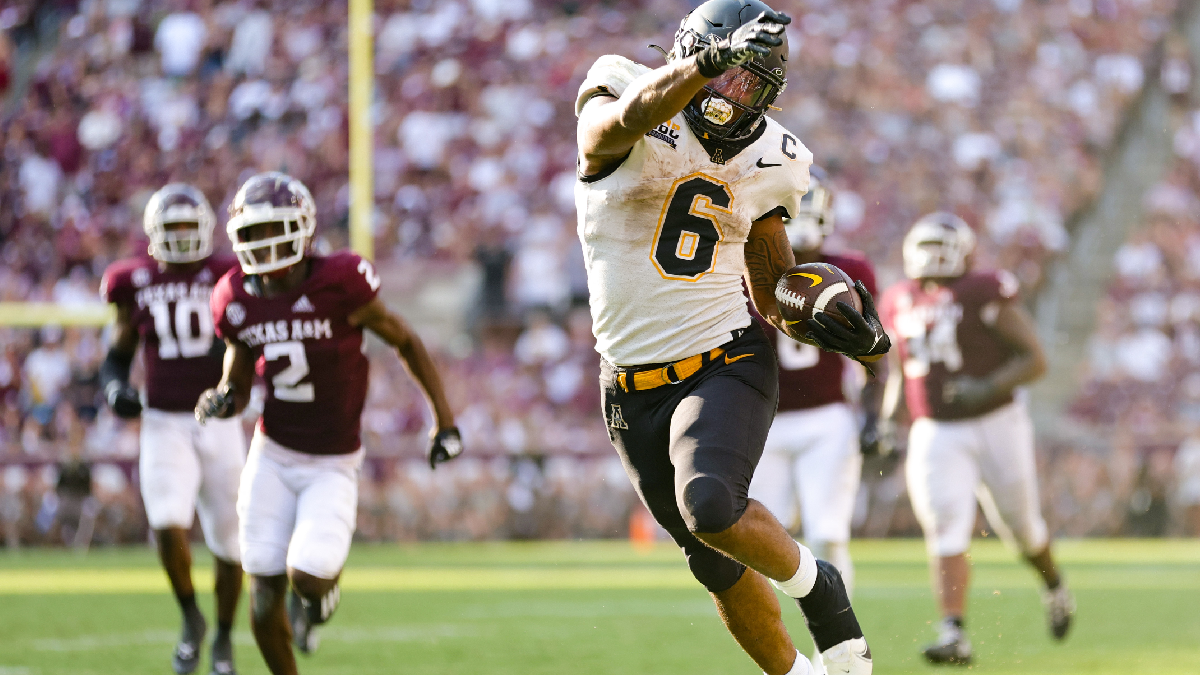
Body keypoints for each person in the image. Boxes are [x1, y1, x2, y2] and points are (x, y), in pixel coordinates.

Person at [574, 2, 890, 674]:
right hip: (629, 385)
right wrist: (703, 68)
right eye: (725, 72)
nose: (730, 94)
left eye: (750, 83)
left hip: (724, 357)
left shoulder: (775, 155)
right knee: (713, 561)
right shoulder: (619, 83)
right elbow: (613, 130)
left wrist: (832, 320)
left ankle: (819, 586)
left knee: (711, 504)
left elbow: (773, 286)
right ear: (689, 51)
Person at [195, 172, 462, 675]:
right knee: (263, 598)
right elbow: (239, 374)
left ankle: (319, 598)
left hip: (332, 461)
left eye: (273, 229)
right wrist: (223, 398)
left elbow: (405, 340)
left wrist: (444, 422)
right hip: (271, 453)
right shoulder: (234, 296)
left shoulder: (340, 281)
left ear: (303, 228)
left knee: (310, 578)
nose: (262, 243)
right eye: (251, 233)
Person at [877, 212, 1075, 665]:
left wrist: (986, 387)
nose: (931, 256)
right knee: (945, 524)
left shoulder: (982, 290)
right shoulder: (898, 298)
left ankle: (1054, 587)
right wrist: (890, 421)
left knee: (1020, 528)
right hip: (935, 428)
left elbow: (1035, 359)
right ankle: (954, 633)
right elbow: (902, 372)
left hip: (996, 421)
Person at [100, 184, 245, 675]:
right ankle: (191, 617)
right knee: (166, 522)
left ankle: (224, 636)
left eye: (189, 227)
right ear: (154, 233)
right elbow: (118, 354)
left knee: (230, 542)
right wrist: (115, 387)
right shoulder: (134, 280)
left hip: (221, 420)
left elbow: (251, 338)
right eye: (173, 228)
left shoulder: (229, 271)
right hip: (163, 420)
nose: (182, 237)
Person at [748, 167, 886, 604]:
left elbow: (879, 354)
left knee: (827, 534)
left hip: (828, 418)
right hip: (763, 422)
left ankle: (837, 644)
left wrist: (875, 414)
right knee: (758, 545)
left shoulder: (849, 269)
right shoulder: (746, 270)